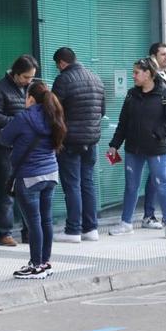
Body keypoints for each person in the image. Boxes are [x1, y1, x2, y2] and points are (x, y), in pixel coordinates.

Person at [0, 81, 66, 280]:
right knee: (46, 220)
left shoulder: (23, 117)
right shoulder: (54, 114)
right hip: (51, 173)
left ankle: (36, 265)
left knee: (34, 222)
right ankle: (45, 262)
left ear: (30, 98)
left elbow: (3, 138)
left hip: (29, 176)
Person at [106, 58, 166, 238]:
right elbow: (123, 123)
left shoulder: (165, 93)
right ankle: (126, 223)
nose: (133, 75)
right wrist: (114, 145)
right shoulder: (131, 95)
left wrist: (157, 134)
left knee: (162, 183)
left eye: (136, 72)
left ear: (148, 74)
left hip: (157, 148)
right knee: (131, 186)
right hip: (133, 149)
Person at [50, 47, 105, 243]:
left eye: (58, 66)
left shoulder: (63, 80)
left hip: (70, 141)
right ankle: (91, 229)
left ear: (62, 63)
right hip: (91, 141)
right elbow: (102, 110)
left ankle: (73, 229)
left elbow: (53, 111)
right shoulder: (95, 78)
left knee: (72, 185)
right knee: (87, 183)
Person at [0, 55, 38, 247]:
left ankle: (29, 231)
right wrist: (19, 125)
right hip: (6, 148)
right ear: (15, 74)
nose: (29, 81)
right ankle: (4, 233)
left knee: (29, 189)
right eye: (25, 77)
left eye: (31, 77)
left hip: (27, 147)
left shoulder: (29, 90)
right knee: (8, 190)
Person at [141, 42, 166, 229]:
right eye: (163, 54)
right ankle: (149, 214)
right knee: (156, 175)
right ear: (153, 56)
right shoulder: (150, 79)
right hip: (159, 136)